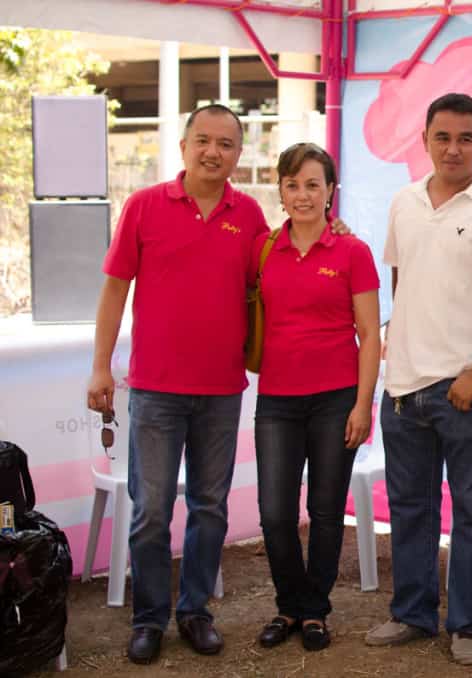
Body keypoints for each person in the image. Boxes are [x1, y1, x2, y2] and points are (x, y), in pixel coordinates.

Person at [86, 104, 268, 664]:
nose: (214, 152)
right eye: (203, 141)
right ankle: (148, 619)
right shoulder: (144, 206)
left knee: (210, 507)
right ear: (184, 146)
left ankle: (194, 612)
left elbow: (277, 275)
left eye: (226, 144)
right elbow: (115, 290)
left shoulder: (249, 215)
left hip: (221, 390)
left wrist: (331, 227)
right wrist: (100, 366)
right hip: (156, 389)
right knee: (151, 511)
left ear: (238, 154)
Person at [363, 93, 472, 666]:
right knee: (410, 509)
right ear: (425, 141)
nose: (454, 148)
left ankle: (467, 625)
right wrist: (399, 356)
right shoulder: (405, 202)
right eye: (443, 137)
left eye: (466, 138)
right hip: (403, 389)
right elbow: (402, 279)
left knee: (471, 515)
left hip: (468, 392)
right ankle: (412, 613)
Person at [251, 143, 381, 652]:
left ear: (330, 191)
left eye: (312, 184)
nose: (302, 195)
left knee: (325, 510)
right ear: (281, 191)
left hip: (336, 399)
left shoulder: (353, 251)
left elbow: (369, 334)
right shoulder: (263, 249)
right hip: (276, 401)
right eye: (292, 185)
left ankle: (313, 611)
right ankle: (288, 604)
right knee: (275, 513)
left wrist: (362, 404)